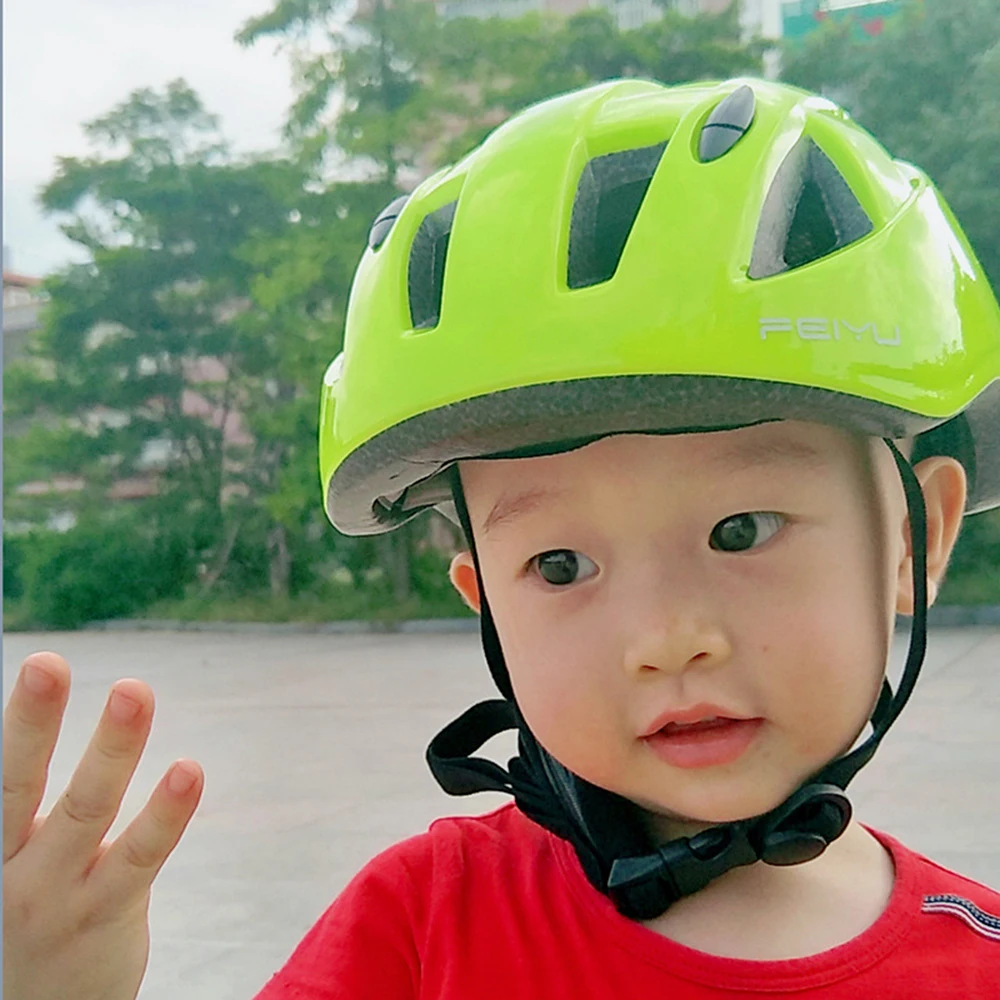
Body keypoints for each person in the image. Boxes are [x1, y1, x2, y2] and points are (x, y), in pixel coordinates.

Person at [5, 77, 1000, 999]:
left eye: (741, 529)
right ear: (484, 598)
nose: (665, 636)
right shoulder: (419, 923)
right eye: (559, 565)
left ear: (918, 538)